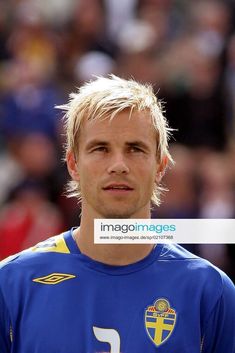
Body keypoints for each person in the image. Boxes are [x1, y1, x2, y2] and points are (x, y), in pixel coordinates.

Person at [0, 75, 234, 353]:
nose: (119, 165)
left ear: (160, 165)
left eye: (135, 149)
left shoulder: (210, 292)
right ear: (73, 164)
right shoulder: (12, 286)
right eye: (100, 149)